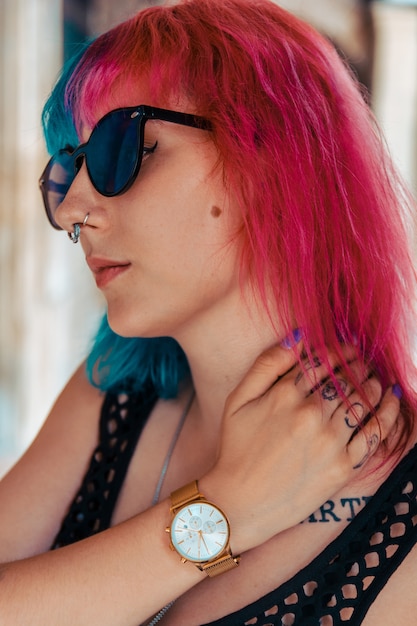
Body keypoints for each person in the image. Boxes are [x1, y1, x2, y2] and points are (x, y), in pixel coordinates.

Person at [1, 0, 417, 623]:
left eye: (123, 148)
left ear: (270, 158)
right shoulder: (113, 400)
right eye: (68, 168)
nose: (72, 209)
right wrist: (224, 511)